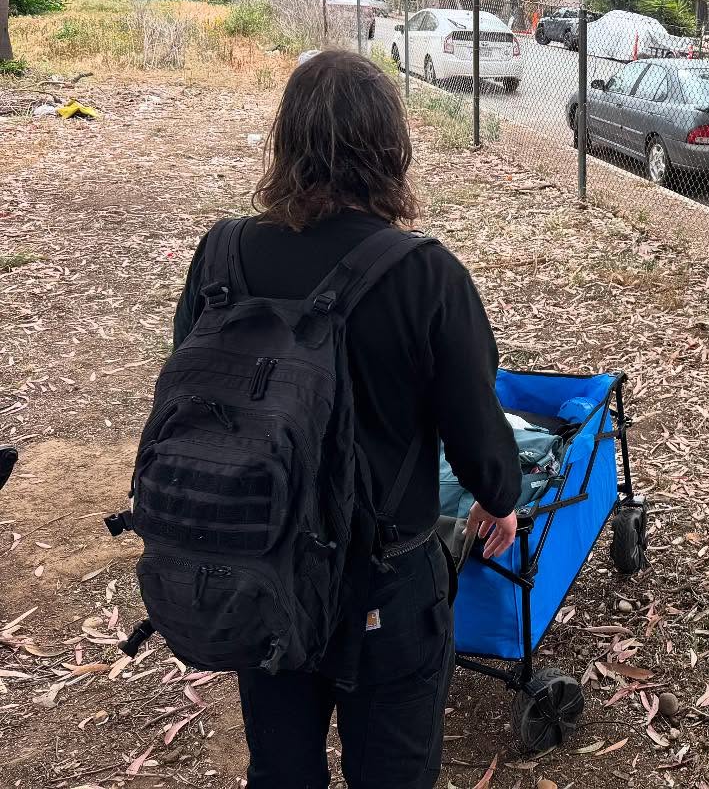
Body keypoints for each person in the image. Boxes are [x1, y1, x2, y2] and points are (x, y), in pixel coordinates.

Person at [171, 50, 521, 789]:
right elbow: (483, 449)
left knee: (280, 771)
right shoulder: (424, 274)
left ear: (287, 141)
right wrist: (500, 502)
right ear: (391, 147)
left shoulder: (221, 255)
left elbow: (190, 395)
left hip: (259, 568)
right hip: (384, 585)